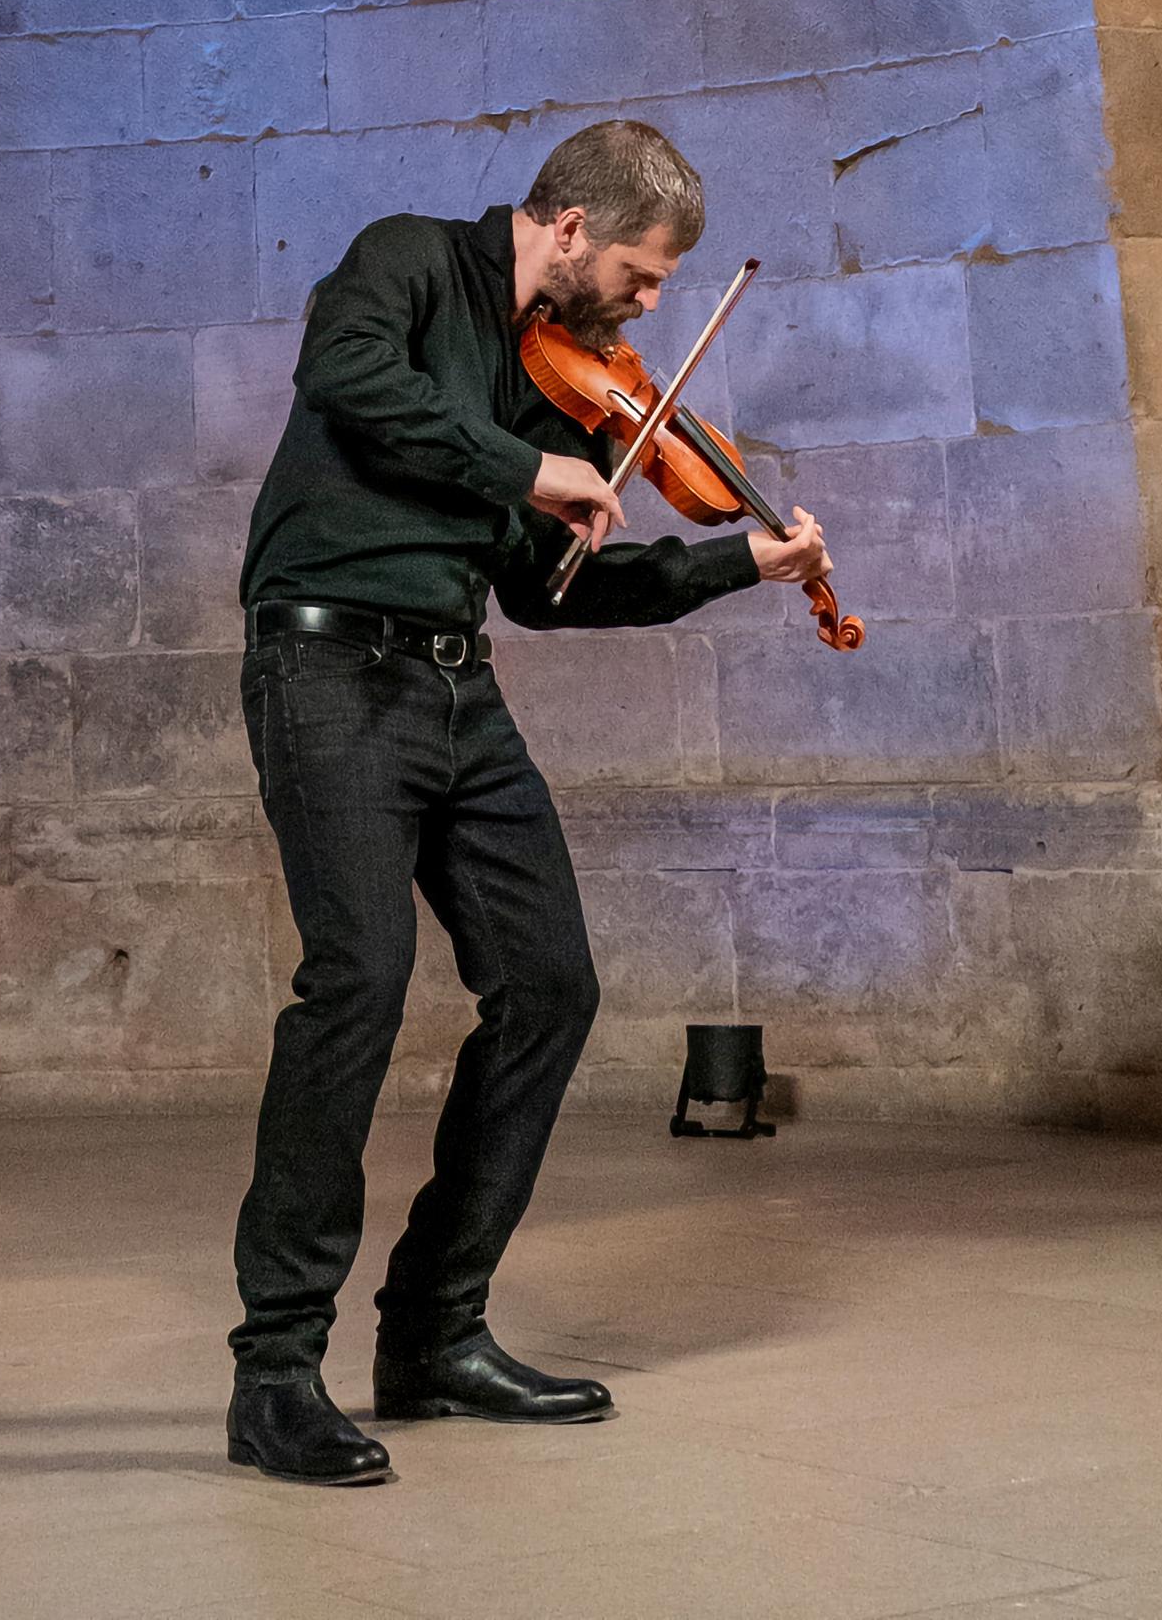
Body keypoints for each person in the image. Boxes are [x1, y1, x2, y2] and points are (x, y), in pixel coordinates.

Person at [225, 117, 837, 1487]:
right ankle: (274, 1374)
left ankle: (436, 1333)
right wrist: (525, 467)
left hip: (456, 687)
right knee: (359, 986)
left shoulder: (540, 381)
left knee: (551, 984)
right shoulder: (406, 265)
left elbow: (546, 591)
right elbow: (349, 378)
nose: (650, 304)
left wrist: (742, 560)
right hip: (327, 667)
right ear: (568, 226)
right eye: (642, 270)